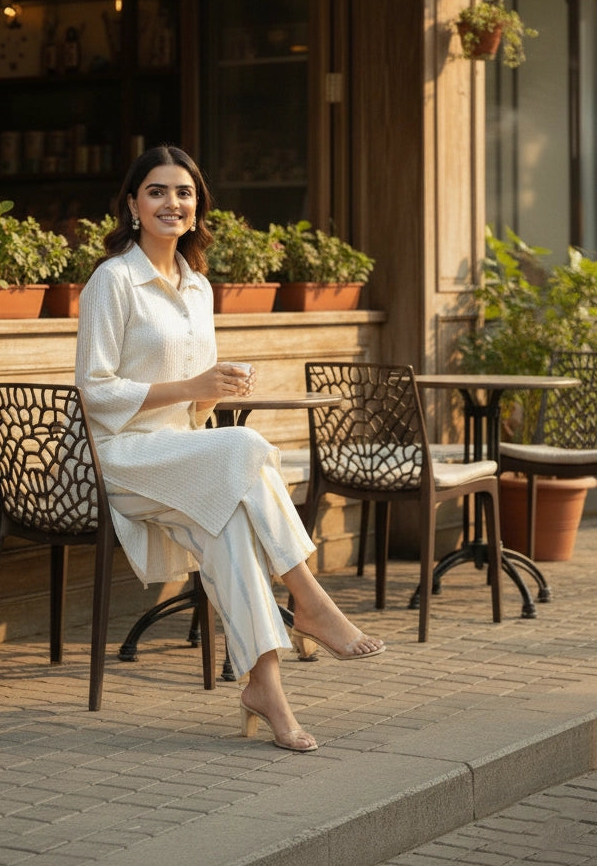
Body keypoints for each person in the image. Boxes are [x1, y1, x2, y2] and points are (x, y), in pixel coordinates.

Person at [75, 144, 385, 752]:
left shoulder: (197, 288)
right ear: (133, 204)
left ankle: (264, 687)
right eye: (158, 191)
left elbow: (193, 410)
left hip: (181, 455)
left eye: (184, 192)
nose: (172, 202)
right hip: (121, 458)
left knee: (232, 527)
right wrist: (195, 386)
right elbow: (94, 391)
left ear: (197, 208)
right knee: (245, 445)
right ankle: (311, 599)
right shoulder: (112, 281)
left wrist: (214, 389)